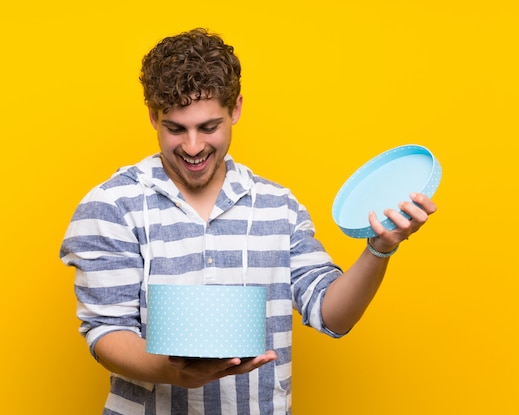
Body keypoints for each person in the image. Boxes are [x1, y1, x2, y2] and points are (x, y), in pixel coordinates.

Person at [60, 28, 438, 414]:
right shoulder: (111, 205)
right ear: (154, 117)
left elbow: (331, 314)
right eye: (176, 129)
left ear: (236, 109)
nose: (193, 147)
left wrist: (379, 249)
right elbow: (106, 331)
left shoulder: (279, 206)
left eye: (209, 127)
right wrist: (173, 371)